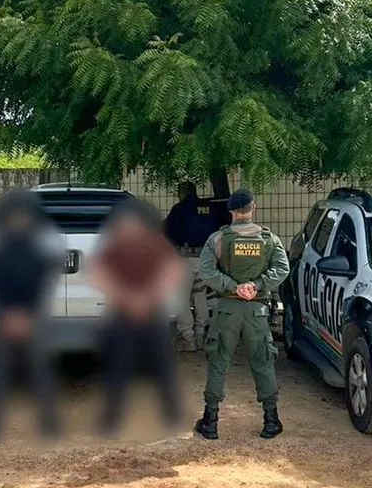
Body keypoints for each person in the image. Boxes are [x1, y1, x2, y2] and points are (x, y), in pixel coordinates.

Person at [193, 188, 290, 440]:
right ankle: (271, 420)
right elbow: (282, 269)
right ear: (253, 208)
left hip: (226, 309)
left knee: (218, 362)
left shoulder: (218, 239)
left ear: (231, 211)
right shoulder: (269, 239)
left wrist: (232, 286)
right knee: (263, 362)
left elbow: (206, 271)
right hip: (257, 310)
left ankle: (210, 422)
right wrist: (256, 285)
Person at [89, 198, 186, 437]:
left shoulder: (156, 242)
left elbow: (172, 271)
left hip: (152, 315)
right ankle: (111, 422)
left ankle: (173, 419)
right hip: (121, 317)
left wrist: (147, 297)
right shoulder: (114, 245)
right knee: (117, 368)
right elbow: (98, 274)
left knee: (164, 368)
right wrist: (128, 297)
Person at [0, 190, 63, 445]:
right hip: (5, 319)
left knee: (39, 372)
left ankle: (49, 426)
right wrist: (9, 316)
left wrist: (26, 316)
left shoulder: (36, 252)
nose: (19, 221)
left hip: (29, 318)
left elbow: (41, 286)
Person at [163, 182, 217, 352]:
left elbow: (167, 231)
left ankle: (189, 338)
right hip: (206, 259)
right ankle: (201, 334)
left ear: (183, 193)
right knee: (200, 296)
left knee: (182, 298)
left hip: (185, 259)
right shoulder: (209, 207)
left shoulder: (180, 209)